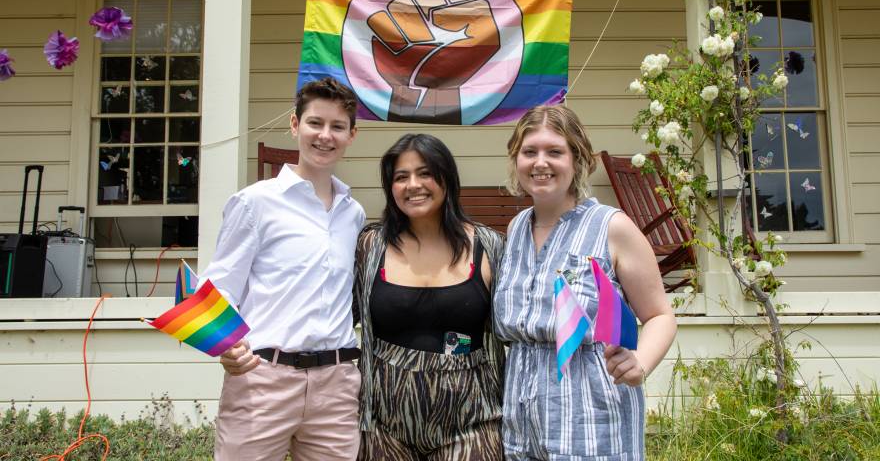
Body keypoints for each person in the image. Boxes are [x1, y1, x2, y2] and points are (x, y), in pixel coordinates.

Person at [494, 105, 677, 460]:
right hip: (520, 421)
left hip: (591, 418)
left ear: (577, 160)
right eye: (529, 152)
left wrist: (641, 362)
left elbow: (660, 315)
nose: (540, 162)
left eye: (555, 152)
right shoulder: (516, 229)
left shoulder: (612, 227)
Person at [201, 77, 365, 461]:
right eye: (315, 123)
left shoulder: (352, 214)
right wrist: (226, 347)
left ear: (351, 135)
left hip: (337, 384)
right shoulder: (254, 203)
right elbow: (217, 288)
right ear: (295, 125)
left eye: (337, 127)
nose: (325, 136)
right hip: (263, 379)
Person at [354, 133, 506, 460]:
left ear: (447, 179)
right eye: (400, 176)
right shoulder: (370, 247)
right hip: (383, 426)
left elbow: (518, 328)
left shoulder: (489, 246)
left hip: (473, 422)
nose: (413, 184)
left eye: (425, 173)